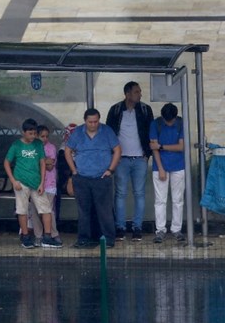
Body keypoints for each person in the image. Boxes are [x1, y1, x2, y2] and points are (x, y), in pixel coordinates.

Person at [66, 108, 121, 248]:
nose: (93, 124)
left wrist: (110, 169)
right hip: (82, 177)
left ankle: (108, 239)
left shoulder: (107, 131)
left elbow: (117, 150)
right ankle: (84, 239)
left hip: (102, 177)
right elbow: (67, 151)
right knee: (84, 211)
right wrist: (74, 170)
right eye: (90, 122)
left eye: (96, 121)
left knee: (105, 211)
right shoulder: (77, 132)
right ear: (85, 121)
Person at [106, 81, 154, 241]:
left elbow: (150, 132)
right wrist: (113, 155)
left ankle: (137, 227)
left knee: (139, 193)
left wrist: (147, 154)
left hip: (140, 158)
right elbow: (109, 133)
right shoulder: (116, 110)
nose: (140, 94)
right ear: (127, 94)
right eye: (136, 92)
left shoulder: (145, 110)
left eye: (139, 91)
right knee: (120, 193)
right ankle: (120, 227)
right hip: (121, 159)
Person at [4, 118, 59, 249]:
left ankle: (47, 236)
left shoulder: (38, 144)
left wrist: (41, 183)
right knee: (22, 210)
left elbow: (42, 162)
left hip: (36, 182)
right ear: (23, 132)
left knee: (45, 209)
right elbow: (6, 162)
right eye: (30, 133)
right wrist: (13, 180)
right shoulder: (16, 145)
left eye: (34, 133)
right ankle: (25, 236)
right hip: (20, 182)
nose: (33, 136)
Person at [149, 102, 186, 244]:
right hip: (161, 166)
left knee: (178, 199)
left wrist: (161, 146)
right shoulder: (155, 124)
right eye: (167, 121)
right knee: (160, 200)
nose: (169, 123)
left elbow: (181, 147)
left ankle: (176, 229)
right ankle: (160, 230)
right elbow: (153, 148)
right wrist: (161, 168)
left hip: (178, 165)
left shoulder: (181, 123)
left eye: (171, 121)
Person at [28, 124, 63, 245]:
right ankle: (38, 235)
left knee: (48, 211)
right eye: (42, 136)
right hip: (34, 184)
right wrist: (43, 161)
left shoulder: (51, 147)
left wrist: (38, 162)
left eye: (47, 136)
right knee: (35, 211)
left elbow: (49, 166)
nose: (45, 139)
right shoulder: (31, 147)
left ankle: (54, 234)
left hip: (49, 184)